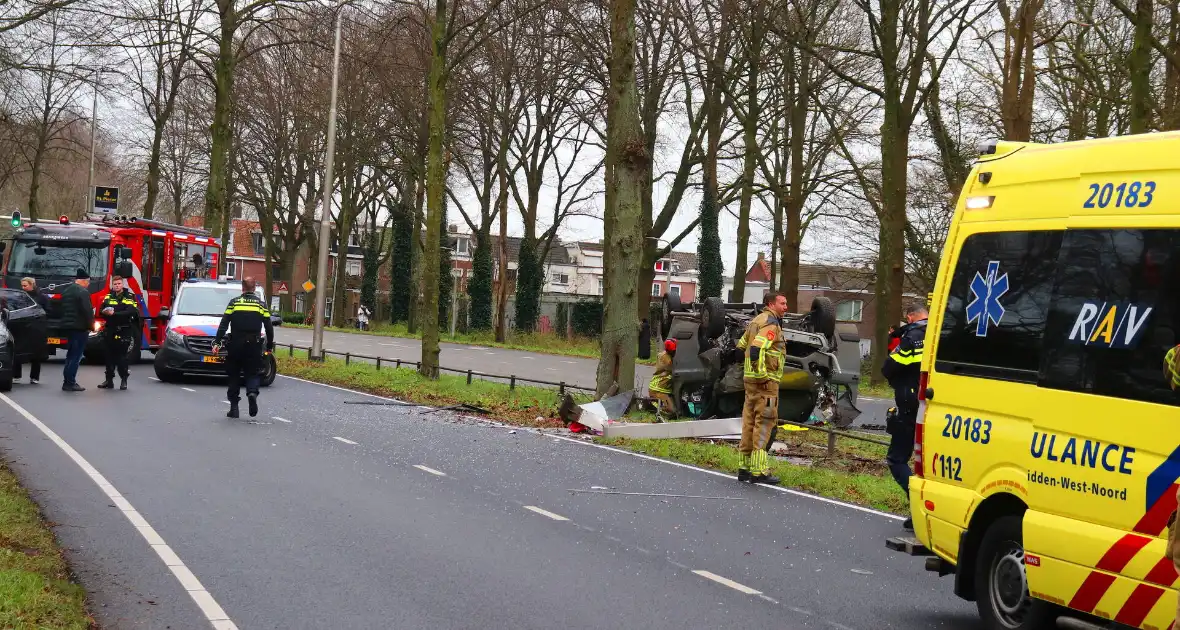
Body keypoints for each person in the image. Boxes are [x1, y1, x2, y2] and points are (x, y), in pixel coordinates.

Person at [881, 303, 928, 531]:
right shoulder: (940, 334)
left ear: (910, 317)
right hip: (934, 407)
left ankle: (918, 508)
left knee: (897, 459)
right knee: (926, 465)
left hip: (910, 406)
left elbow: (889, 368)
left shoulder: (912, 337)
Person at [736, 292, 788, 484]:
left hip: (750, 383)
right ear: (771, 304)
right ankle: (759, 471)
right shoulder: (771, 324)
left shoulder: (755, 321)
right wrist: (763, 375)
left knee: (748, 424)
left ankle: (744, 468)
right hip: (766, 385)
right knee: (764, 425)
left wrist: (749, 372)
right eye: (782, 303)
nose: (786, 306)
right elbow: (757, 349)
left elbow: (740, 347)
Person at [212, 278, 274, 418]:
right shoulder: (261, 305)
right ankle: (252, 393)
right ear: (254, 288)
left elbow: (224, 324)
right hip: (254, 345)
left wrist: (217, 343)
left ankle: (234, 408)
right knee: (252, 373)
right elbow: (269, 327)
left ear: (242, 288)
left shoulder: (234, 303)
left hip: (235, 345)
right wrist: (269, 345)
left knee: (234, 375)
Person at [96, 275, 140, 390]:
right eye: (115, 284)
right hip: (110, 329)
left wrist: (114, 313)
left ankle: (123, 380)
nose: (117, 286)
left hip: (124, 329)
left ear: (123, 284)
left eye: (119, 284)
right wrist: (109, 311)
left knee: (122, 357)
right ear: (112, 285)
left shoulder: (129, 296)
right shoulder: (108, 296)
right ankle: (109, 380)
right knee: (109, 356)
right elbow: (101, 310)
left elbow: (131, 311)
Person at [59, 269, 94, 392]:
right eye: (88, 282)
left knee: (70, 355)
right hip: (80, 327)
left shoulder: (67, 291)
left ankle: (67, 381)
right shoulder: (82, 292)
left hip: (69, 327)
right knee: (76, 356)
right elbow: (87, 311)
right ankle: (70, 382)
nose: (88, 285)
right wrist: (91, 326)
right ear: (84, 281)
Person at [15, 277, 47, 384]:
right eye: (22, 286)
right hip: (21, 327)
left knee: (36, 353)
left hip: (36, 328)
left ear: (32, 284)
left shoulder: (41, 297)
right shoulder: (20, 297)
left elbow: (47, 311)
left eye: (25, 285)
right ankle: (16, 375)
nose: (23, 288)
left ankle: (34, 377)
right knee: (17, 351)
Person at [648, 338, 677, 419]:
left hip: (655, 385)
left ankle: (654, 406)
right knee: (671, 411)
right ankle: (652, 407)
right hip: (658, 388)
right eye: (674, 350)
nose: (675, 352)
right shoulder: (668, 361)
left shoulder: (662, 354)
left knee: (671, 409)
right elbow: (672, 371)